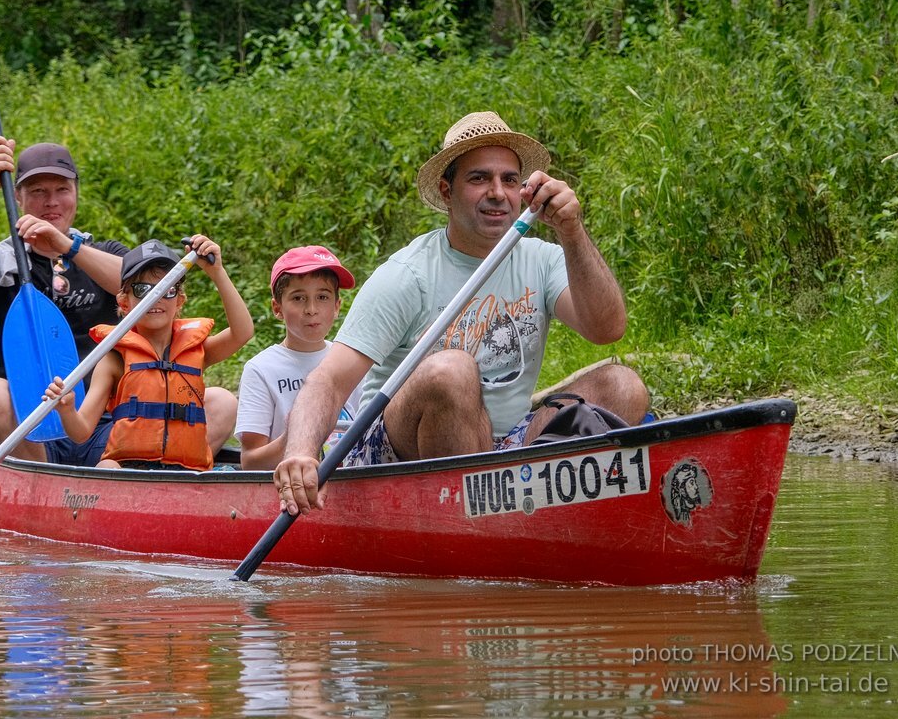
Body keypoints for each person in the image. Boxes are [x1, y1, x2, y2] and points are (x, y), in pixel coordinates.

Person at [274, 111, 650, 514]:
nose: (497, 192)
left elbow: (607, 328)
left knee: (622, 385)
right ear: (446, 189)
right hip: (398, 452)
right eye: (478, 179)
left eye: (509, 180)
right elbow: (328, 380)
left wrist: (571, 230)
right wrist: (299, 453)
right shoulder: (407, 275)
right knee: (450, 370)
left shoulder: (543, 259)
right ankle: (470, 523)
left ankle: (545, 514)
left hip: (506, 448)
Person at [0, 135, 129, 465]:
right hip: (22, 425)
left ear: (76, 194)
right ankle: (42, 482)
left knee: (216, 405)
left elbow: (143, 286)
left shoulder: (105, 254)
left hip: (99, 422)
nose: (51, 202)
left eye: (61, 190)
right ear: (18, 197)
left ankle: (108, 480)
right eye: (38, 192)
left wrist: (67, 246)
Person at [43, 237, 254, 470]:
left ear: (179, 301)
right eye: (143, 289)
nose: (157, 297)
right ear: (124, 303)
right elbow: (81, 432)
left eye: (167, 288)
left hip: (182, 471)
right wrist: (67, 409)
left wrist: (217, 272)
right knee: (107, 467)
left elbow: (243, 332)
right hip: (131, 470)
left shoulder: (196, 350)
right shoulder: (114, 359)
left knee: (225, 399)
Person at [234, 246, 362, 471]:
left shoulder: (352, 360)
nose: (311, 309)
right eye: (298, 298)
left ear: (337, 306)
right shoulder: (261, 369)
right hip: (289, 489)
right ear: (277, 308)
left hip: (351, 481)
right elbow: (251, 461)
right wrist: (300, 433)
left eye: (322, 297)